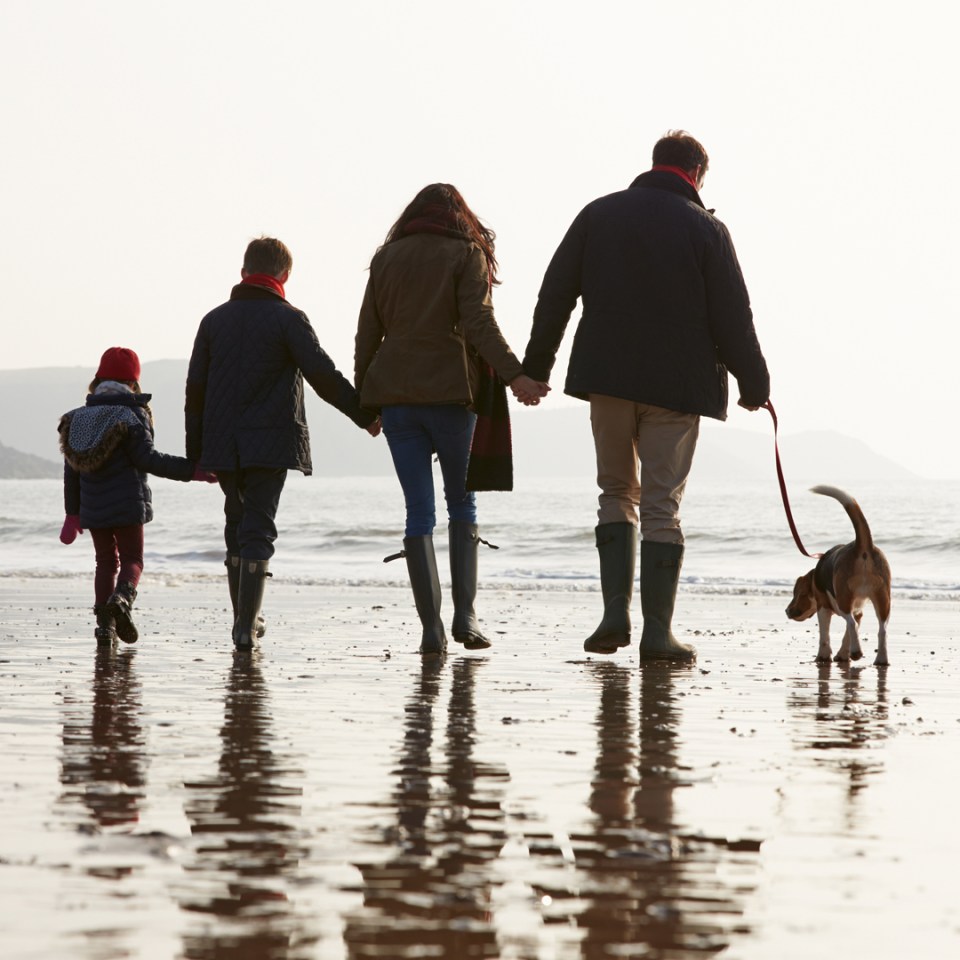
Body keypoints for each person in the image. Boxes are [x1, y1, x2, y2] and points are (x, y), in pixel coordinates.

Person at [522, 131, 770, 662]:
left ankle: (615, 614)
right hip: (678, 386)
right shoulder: (707, 229)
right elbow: (733, 315)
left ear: (654, 164)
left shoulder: (598, 214)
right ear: (698, 174)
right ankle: (658, 633)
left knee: (615, 492)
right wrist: (756, 385)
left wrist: (535, 370)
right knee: (662, 505)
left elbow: (555, 294)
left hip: (607, 379)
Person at [355, 183, 547, 658]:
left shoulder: (386, 258)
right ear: (460, 216)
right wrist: (516, 375)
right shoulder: (466, 253)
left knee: (419, 512)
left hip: (397, 398)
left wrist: (366, 402)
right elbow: (479, 323)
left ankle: (431, 631)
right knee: (462, 505)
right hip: (452, 397)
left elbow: (367, 333)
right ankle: (466, 616)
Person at [185, 237, 380, 650]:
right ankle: (245, 625)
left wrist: (194, 455)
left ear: (242, 273)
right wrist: (364, 415)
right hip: (271, 442)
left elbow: (195, 390)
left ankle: (243, 620)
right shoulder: (288, 319)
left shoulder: (212, 321)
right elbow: (323, 375)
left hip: (222, 443)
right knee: (259, 527)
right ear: (285, 276)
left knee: (236, 523)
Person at [58, 346, 216, 646]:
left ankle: (104, 627)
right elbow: (149, 460)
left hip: (93, 507)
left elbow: (72, 471)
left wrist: (72, 513)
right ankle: (122, 600)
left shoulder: (75, 418)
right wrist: (192, 470)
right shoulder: (131, 415)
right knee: (133, 560)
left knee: (105, 562)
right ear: (133, 382)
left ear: (99, 379)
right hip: (128, 504)